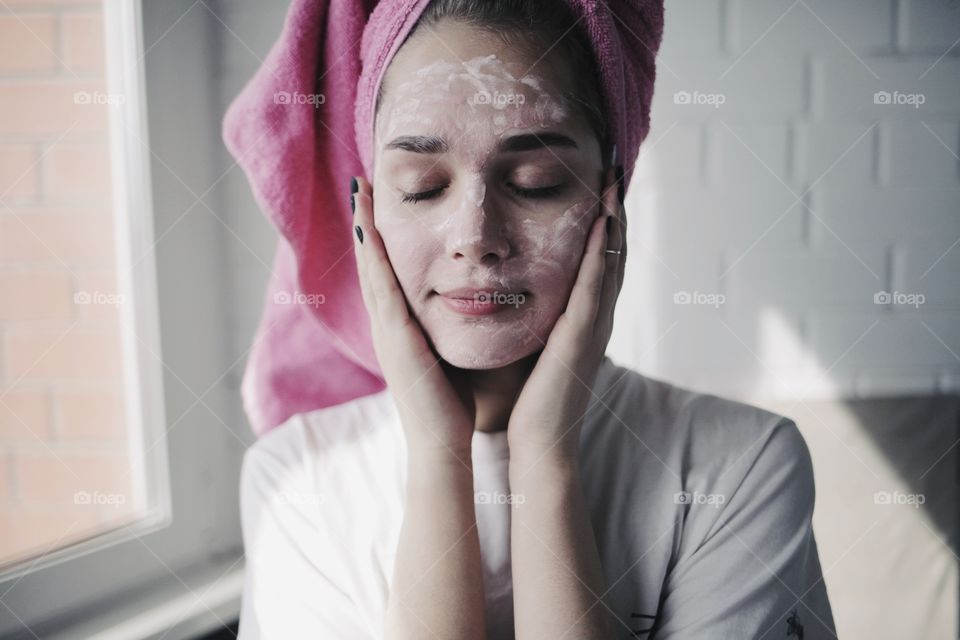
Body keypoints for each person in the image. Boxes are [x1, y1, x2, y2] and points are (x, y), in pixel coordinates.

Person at [234, 1, 837, 638]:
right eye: (421, 185)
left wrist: (548, 463)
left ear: (612, 198)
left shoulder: (739, 466)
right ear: (370, 211)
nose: (475, 237)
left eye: (536, 180)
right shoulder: (296, 478)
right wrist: (439, 460)